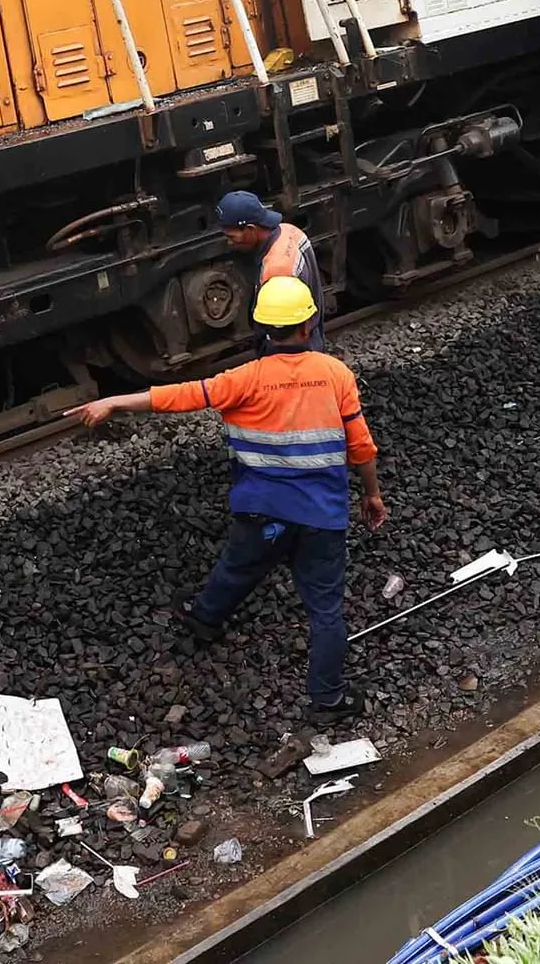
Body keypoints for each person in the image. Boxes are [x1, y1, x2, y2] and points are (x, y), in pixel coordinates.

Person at [70, 275, 383, 724]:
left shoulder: (243, 380)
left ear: (263, 327)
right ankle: (328, 698)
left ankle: (205, 619)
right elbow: (362, 448)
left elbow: (180, 396)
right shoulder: (335, 375)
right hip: (321, 517)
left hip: (261, 512)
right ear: (309, 323)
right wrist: (372, 495)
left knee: (239, 566)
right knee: (326, 609)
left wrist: (115, 402)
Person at [216, 189, 325, 353]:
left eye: (232, 237)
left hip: (293, 354)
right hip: (311, 340)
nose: (230, 243)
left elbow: (284, 334)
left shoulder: (278, 272)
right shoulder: (288, 230)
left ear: (251, 229)